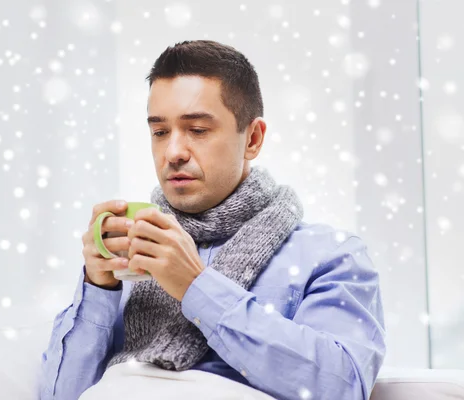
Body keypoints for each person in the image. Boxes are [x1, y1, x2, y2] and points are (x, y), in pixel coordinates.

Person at [38, 40, 386, 400]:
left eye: (198, 130)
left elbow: (341, 386)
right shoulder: (127, 257)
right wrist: (98, 288)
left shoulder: (329, 255)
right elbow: (59, 396)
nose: (173, 152)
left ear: (252, 138)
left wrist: (197, 287)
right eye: (159, 132)